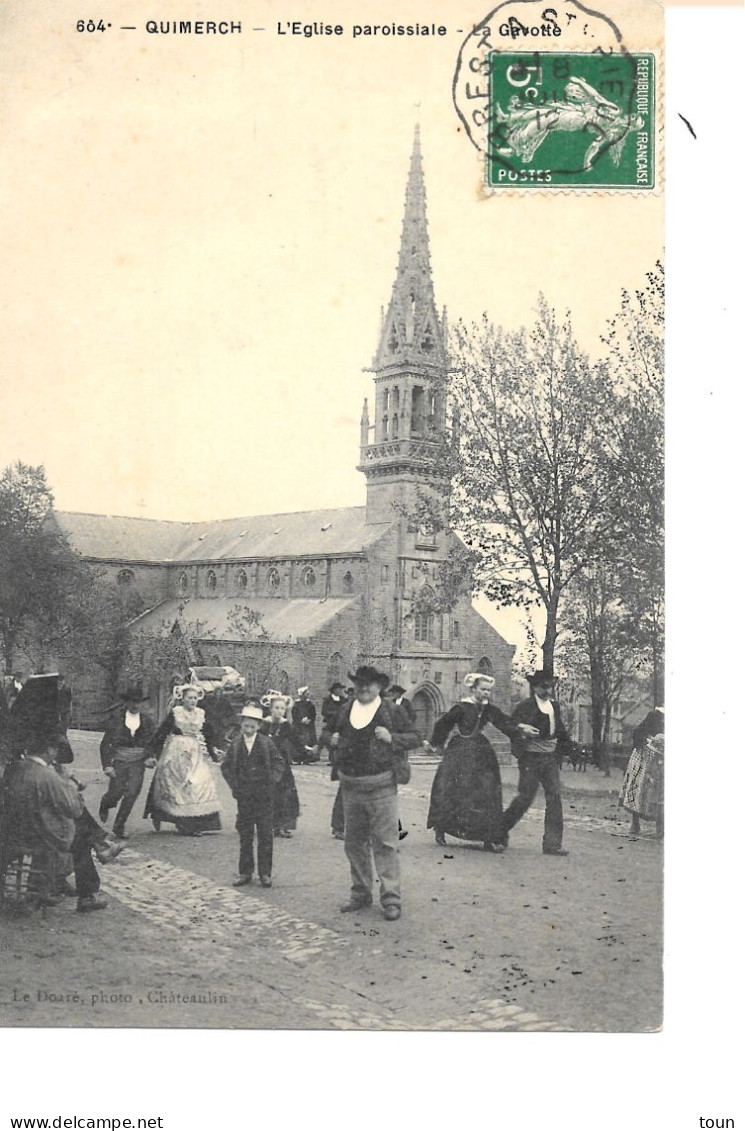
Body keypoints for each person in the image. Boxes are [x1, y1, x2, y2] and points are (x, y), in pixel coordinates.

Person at [330, 665, 421, 921]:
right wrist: (331, 738)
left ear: (379, 686)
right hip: (351, 786)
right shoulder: (346, 708)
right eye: (359, 682)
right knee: (354, 843)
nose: (363, 687)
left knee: (385, 843)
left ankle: (391, 898)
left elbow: (415, 736)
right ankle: (360, 894)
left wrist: (392, 737)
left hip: (382, 786)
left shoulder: (392, 710)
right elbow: (328, 731)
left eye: (369, 683)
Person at [3, 733, 109, 912]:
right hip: (38, 836)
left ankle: (47, 885)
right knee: (82, 838)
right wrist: (69, 784)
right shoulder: (47, 776)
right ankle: (87, 895)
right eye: (56, 750)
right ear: (50, 750)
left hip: (11, 832)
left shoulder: (14, 768)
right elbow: (73, 808)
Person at [427, 673, 532, 853]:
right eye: (483, 689)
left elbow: (503, 722)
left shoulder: (489, 709)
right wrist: (436, 744)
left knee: (486, 790)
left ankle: (487, 834)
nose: (486, 693)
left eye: (489, 691)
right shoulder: (460, 707)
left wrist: (519, 728)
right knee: (453, 788)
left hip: (481, 752)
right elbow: (443, 724)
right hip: (459, 752)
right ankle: (442, 827)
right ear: (473, 688)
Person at [500, 670, 572, 856]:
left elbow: (560, 730)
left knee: (555, 797)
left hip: (549, 759)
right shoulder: (525, 706)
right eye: (543, 687)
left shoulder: (554, 706)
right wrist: (521, 728)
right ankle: (496, 833)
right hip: (530, 758)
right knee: (524, 798)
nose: (547, 690)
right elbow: (508, 725)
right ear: (535, 687)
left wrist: (572, 747)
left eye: (550, 686)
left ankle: (552, 844)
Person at [144, 684, 222, 836]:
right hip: (177, 751)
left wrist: (214, 749)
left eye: (195, 698)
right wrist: (152, 752)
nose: (192, 701)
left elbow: (209, 733)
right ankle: (184, 824)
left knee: (199, 783)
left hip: (195, 751)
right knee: (179, 785)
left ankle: (199, 822)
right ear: (183, 699)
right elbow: (162, 732)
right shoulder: (176, 713)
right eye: (189, 698)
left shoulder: (201, 714)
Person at [221, 704, 285, 888]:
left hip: (264, 796)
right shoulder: (236, 744)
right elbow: (225, 767)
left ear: (258, 726)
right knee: (245, 833)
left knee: (265, 834)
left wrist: (272, 781)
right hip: (244, 796)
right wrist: (235, 785)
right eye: (245, 726)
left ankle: (265, 873)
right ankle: (245, 872)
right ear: (241, 725)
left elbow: (278, 762)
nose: (248, 730)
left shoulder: (266, 743)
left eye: (252, 727)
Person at [98, 684, 157, 839]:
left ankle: (119, 826)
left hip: (138, 761)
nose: (135, 705)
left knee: (132, 792)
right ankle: (105, 803)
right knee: (116, 792)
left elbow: (153, 742)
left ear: (142, 703)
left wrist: (151, 756)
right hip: (120, 760)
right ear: (126, 702)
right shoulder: (116, 719)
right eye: (132, 701)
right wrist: (107, 765)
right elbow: (105, 744)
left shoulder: (147, 721)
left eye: (138, 702)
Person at [619, 707, 664, 838]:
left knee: (659, 794)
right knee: (639, 788)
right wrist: (648, 744)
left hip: (661, 760)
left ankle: (660, 828)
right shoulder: (656, 715)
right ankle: (635, 822)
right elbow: (638, 734)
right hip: (644, 757)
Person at [261, 695, 301, 837]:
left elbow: (295, 740)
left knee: (285, 793)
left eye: (282, 709)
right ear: (270, 709)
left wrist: (306, 749)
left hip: (282, 763)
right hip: (266, 763)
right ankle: (268, 825)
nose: (279, 711)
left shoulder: (285, 725)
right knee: (268, 793)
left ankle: (283, 825)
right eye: (277, 708)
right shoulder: (264, 725)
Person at [319, 682, 347, 761]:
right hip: (331, 723)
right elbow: (324, 711)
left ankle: (338, 758)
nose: (339, 691)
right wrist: (334, 713)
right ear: (334, 690)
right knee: (330, 740)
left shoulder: (343, 700)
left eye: (340, 689)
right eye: (338, 689)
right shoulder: (327, 700)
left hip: (341, 723)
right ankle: (332, 758)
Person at [290, 687, 318, 761]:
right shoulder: (296, 705)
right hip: (298, 726)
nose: (307, 694)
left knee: (309, 739)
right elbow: (294, 716)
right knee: (298, 739)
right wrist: (301, 720)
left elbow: (313, 714)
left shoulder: (310, 704)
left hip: (309, 726)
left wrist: (309, 720)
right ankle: (298, 757)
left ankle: (309, 757)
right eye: (306, 693)